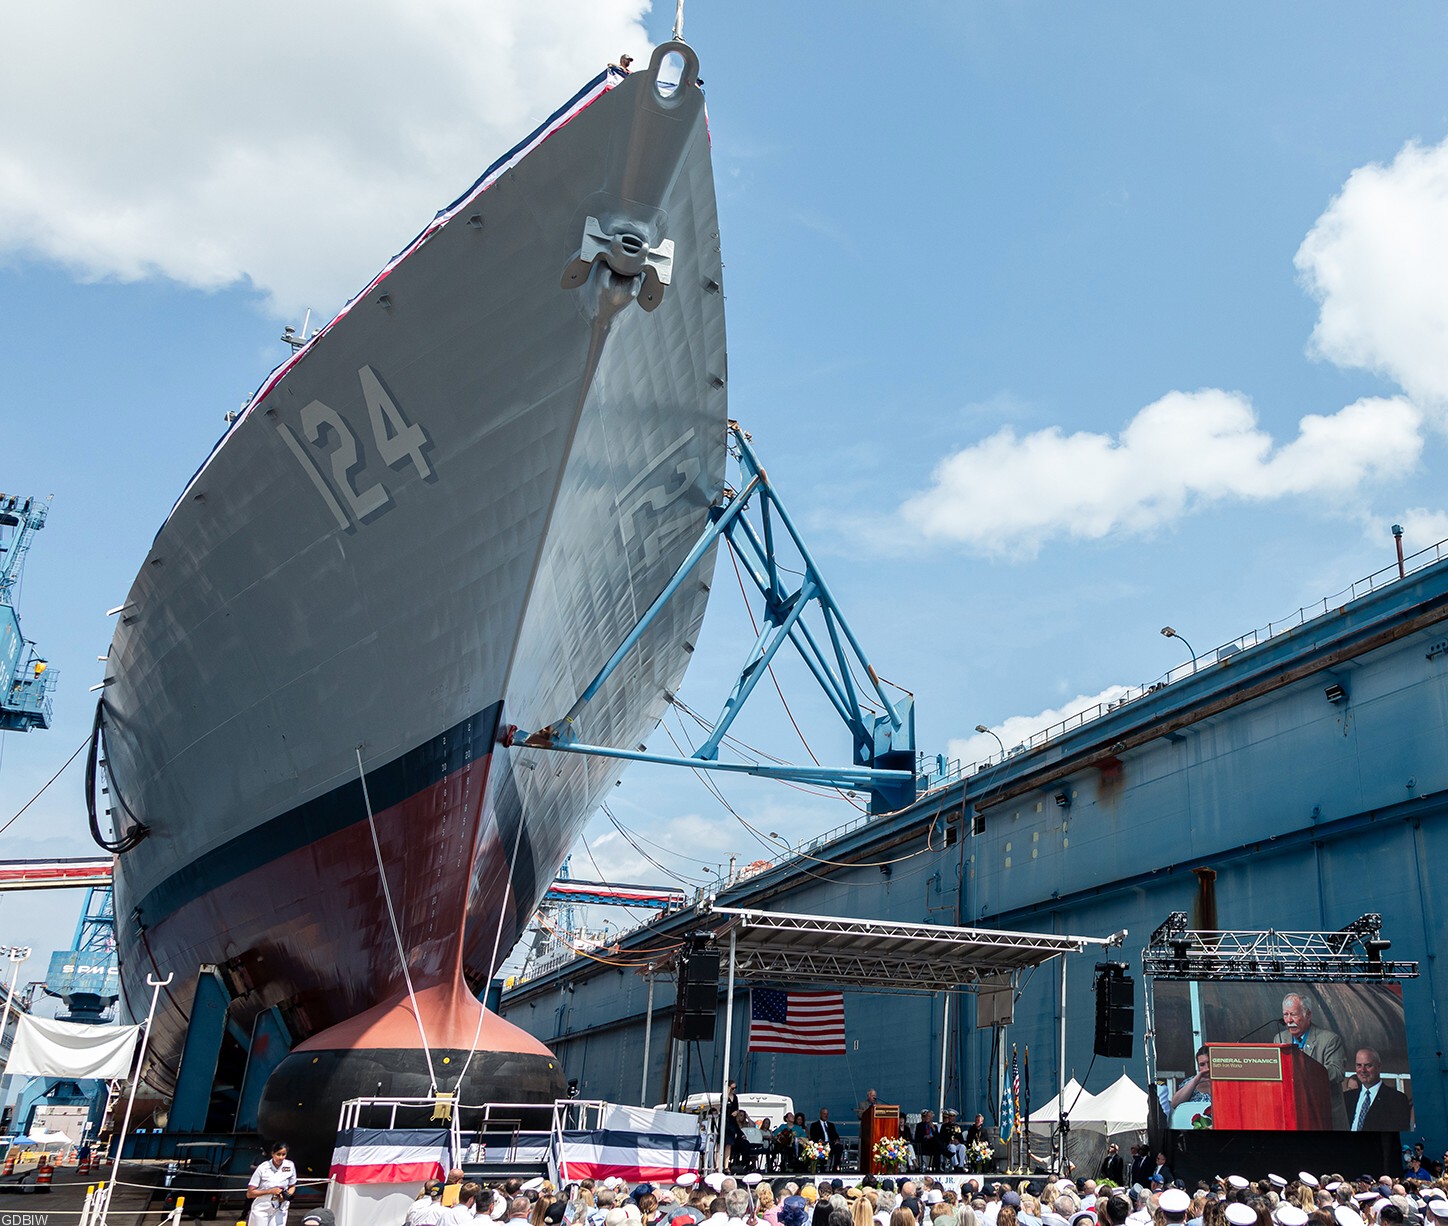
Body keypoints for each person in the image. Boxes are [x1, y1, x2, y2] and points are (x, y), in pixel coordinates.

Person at [1343, 1048, 1412, 1131]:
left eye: (1368, 1065)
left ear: (1379, 1066)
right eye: (1359, 1065)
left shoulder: (1397, 1099)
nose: (1363, 1070)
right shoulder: (1346, 1098)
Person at [247, 1142, 297, 1226]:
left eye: (283, 1154)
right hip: (262, 1207)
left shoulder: (290, 1165)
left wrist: (286, 1196)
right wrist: (271, 1191)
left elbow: (292, 1186)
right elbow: (250, 1193)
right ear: (272, 1154)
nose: (281, 1157)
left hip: (280, 1207)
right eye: (278, 1154)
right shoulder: (263, 1168)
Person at [810, 1109, 843, 1173]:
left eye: (827, 1114)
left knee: (839, 1147)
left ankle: (835, 1167)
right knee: (821, 1149)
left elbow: (835, 1135)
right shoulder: (814, 1125)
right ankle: (822, 1168)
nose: (826, 1115)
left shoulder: (831, 1125)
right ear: (820, 1114)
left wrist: (836, 1140)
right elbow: (813, 1135)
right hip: (821, 1144)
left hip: (830, 1144)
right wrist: (819, 1140)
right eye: (824, 1114)